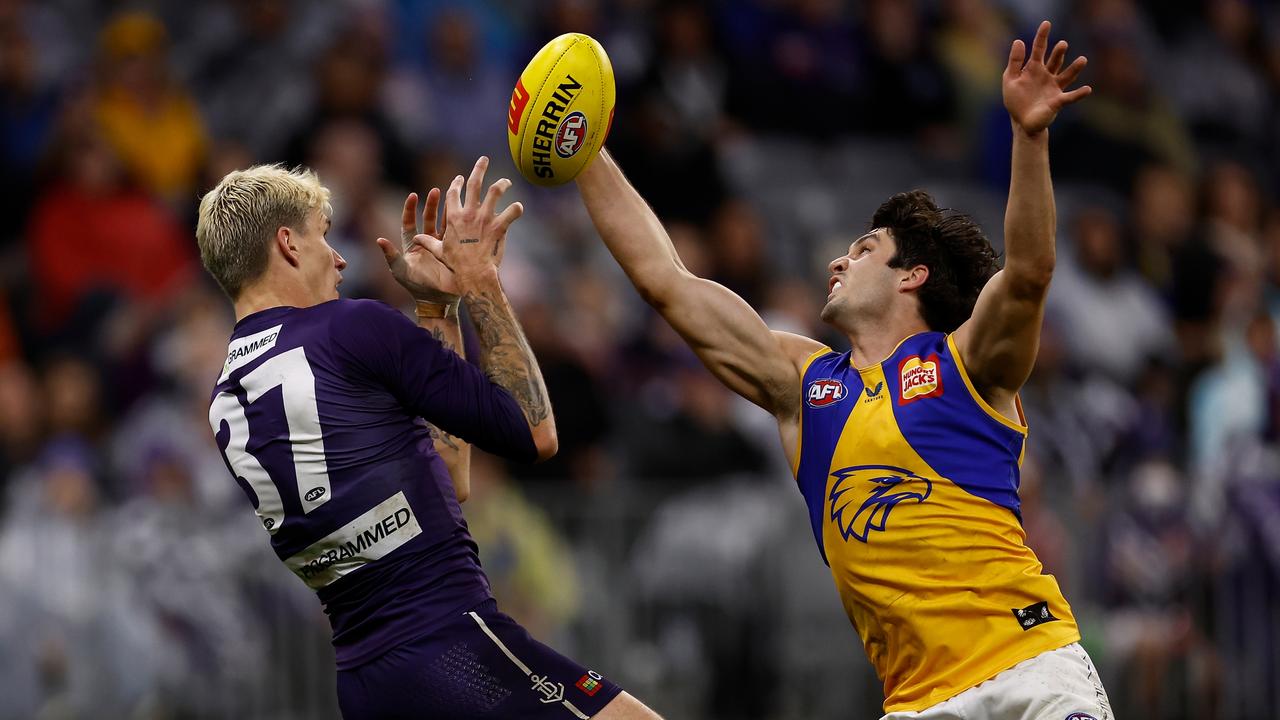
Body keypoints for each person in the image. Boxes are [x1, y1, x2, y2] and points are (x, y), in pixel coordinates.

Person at [575, 22, 1112, 720]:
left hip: (1030, 672)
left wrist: (1029, 138)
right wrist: (585, 152)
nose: (837, 261)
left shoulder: (968, 364)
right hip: (917, 705)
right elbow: (665, 282)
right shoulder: (804, 388)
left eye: (863, 249)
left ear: (912, 276)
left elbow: (1031, 271)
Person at [197, 156, 659, 719]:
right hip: (451, 643)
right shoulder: (353, 328)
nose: (341, 258)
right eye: (325, 237)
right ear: (289, 244)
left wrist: (437, 307)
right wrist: (482, 278)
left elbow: (449, 477)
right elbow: (534, 431)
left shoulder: (225, 397)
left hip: (367, 685)